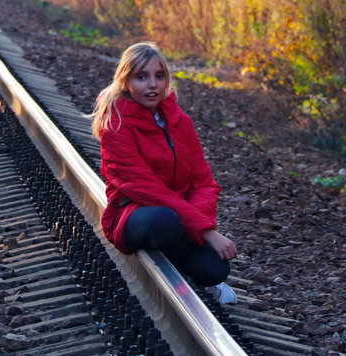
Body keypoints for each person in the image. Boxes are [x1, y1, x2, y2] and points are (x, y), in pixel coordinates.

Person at [91, 42, 239, 304]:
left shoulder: (180, 121)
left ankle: (185, 272)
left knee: (216, 270)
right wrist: (205, 232)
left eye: (159, 76)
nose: (152, 85)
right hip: (135, 214)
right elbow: (144, 187)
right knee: (163, 220)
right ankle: (178, 278)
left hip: (182, 216)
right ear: (125, 81)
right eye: (141, 77)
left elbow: (204, 182)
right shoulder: (114, 123)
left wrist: (197, 222)